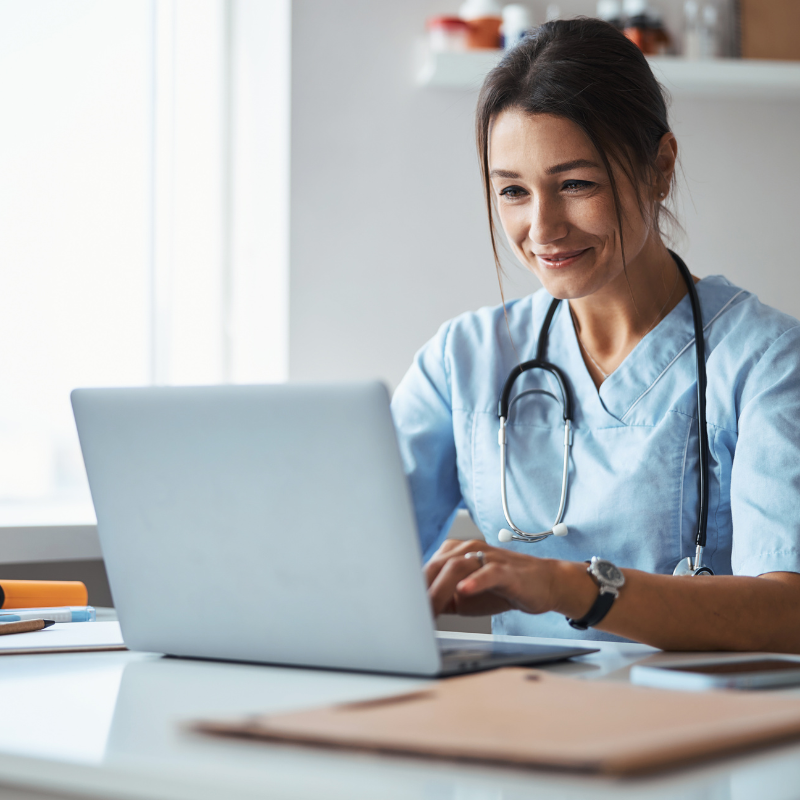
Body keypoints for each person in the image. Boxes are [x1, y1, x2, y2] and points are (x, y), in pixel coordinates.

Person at [390, 18, 800, 651]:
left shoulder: (766, 363)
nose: (543, 227)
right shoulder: (462, 360)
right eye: (513, 192)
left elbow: (787, 610)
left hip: (699, 731)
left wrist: (574, 587)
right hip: (522, 722)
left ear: (660, 168)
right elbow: (348, 559)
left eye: (576, 184)